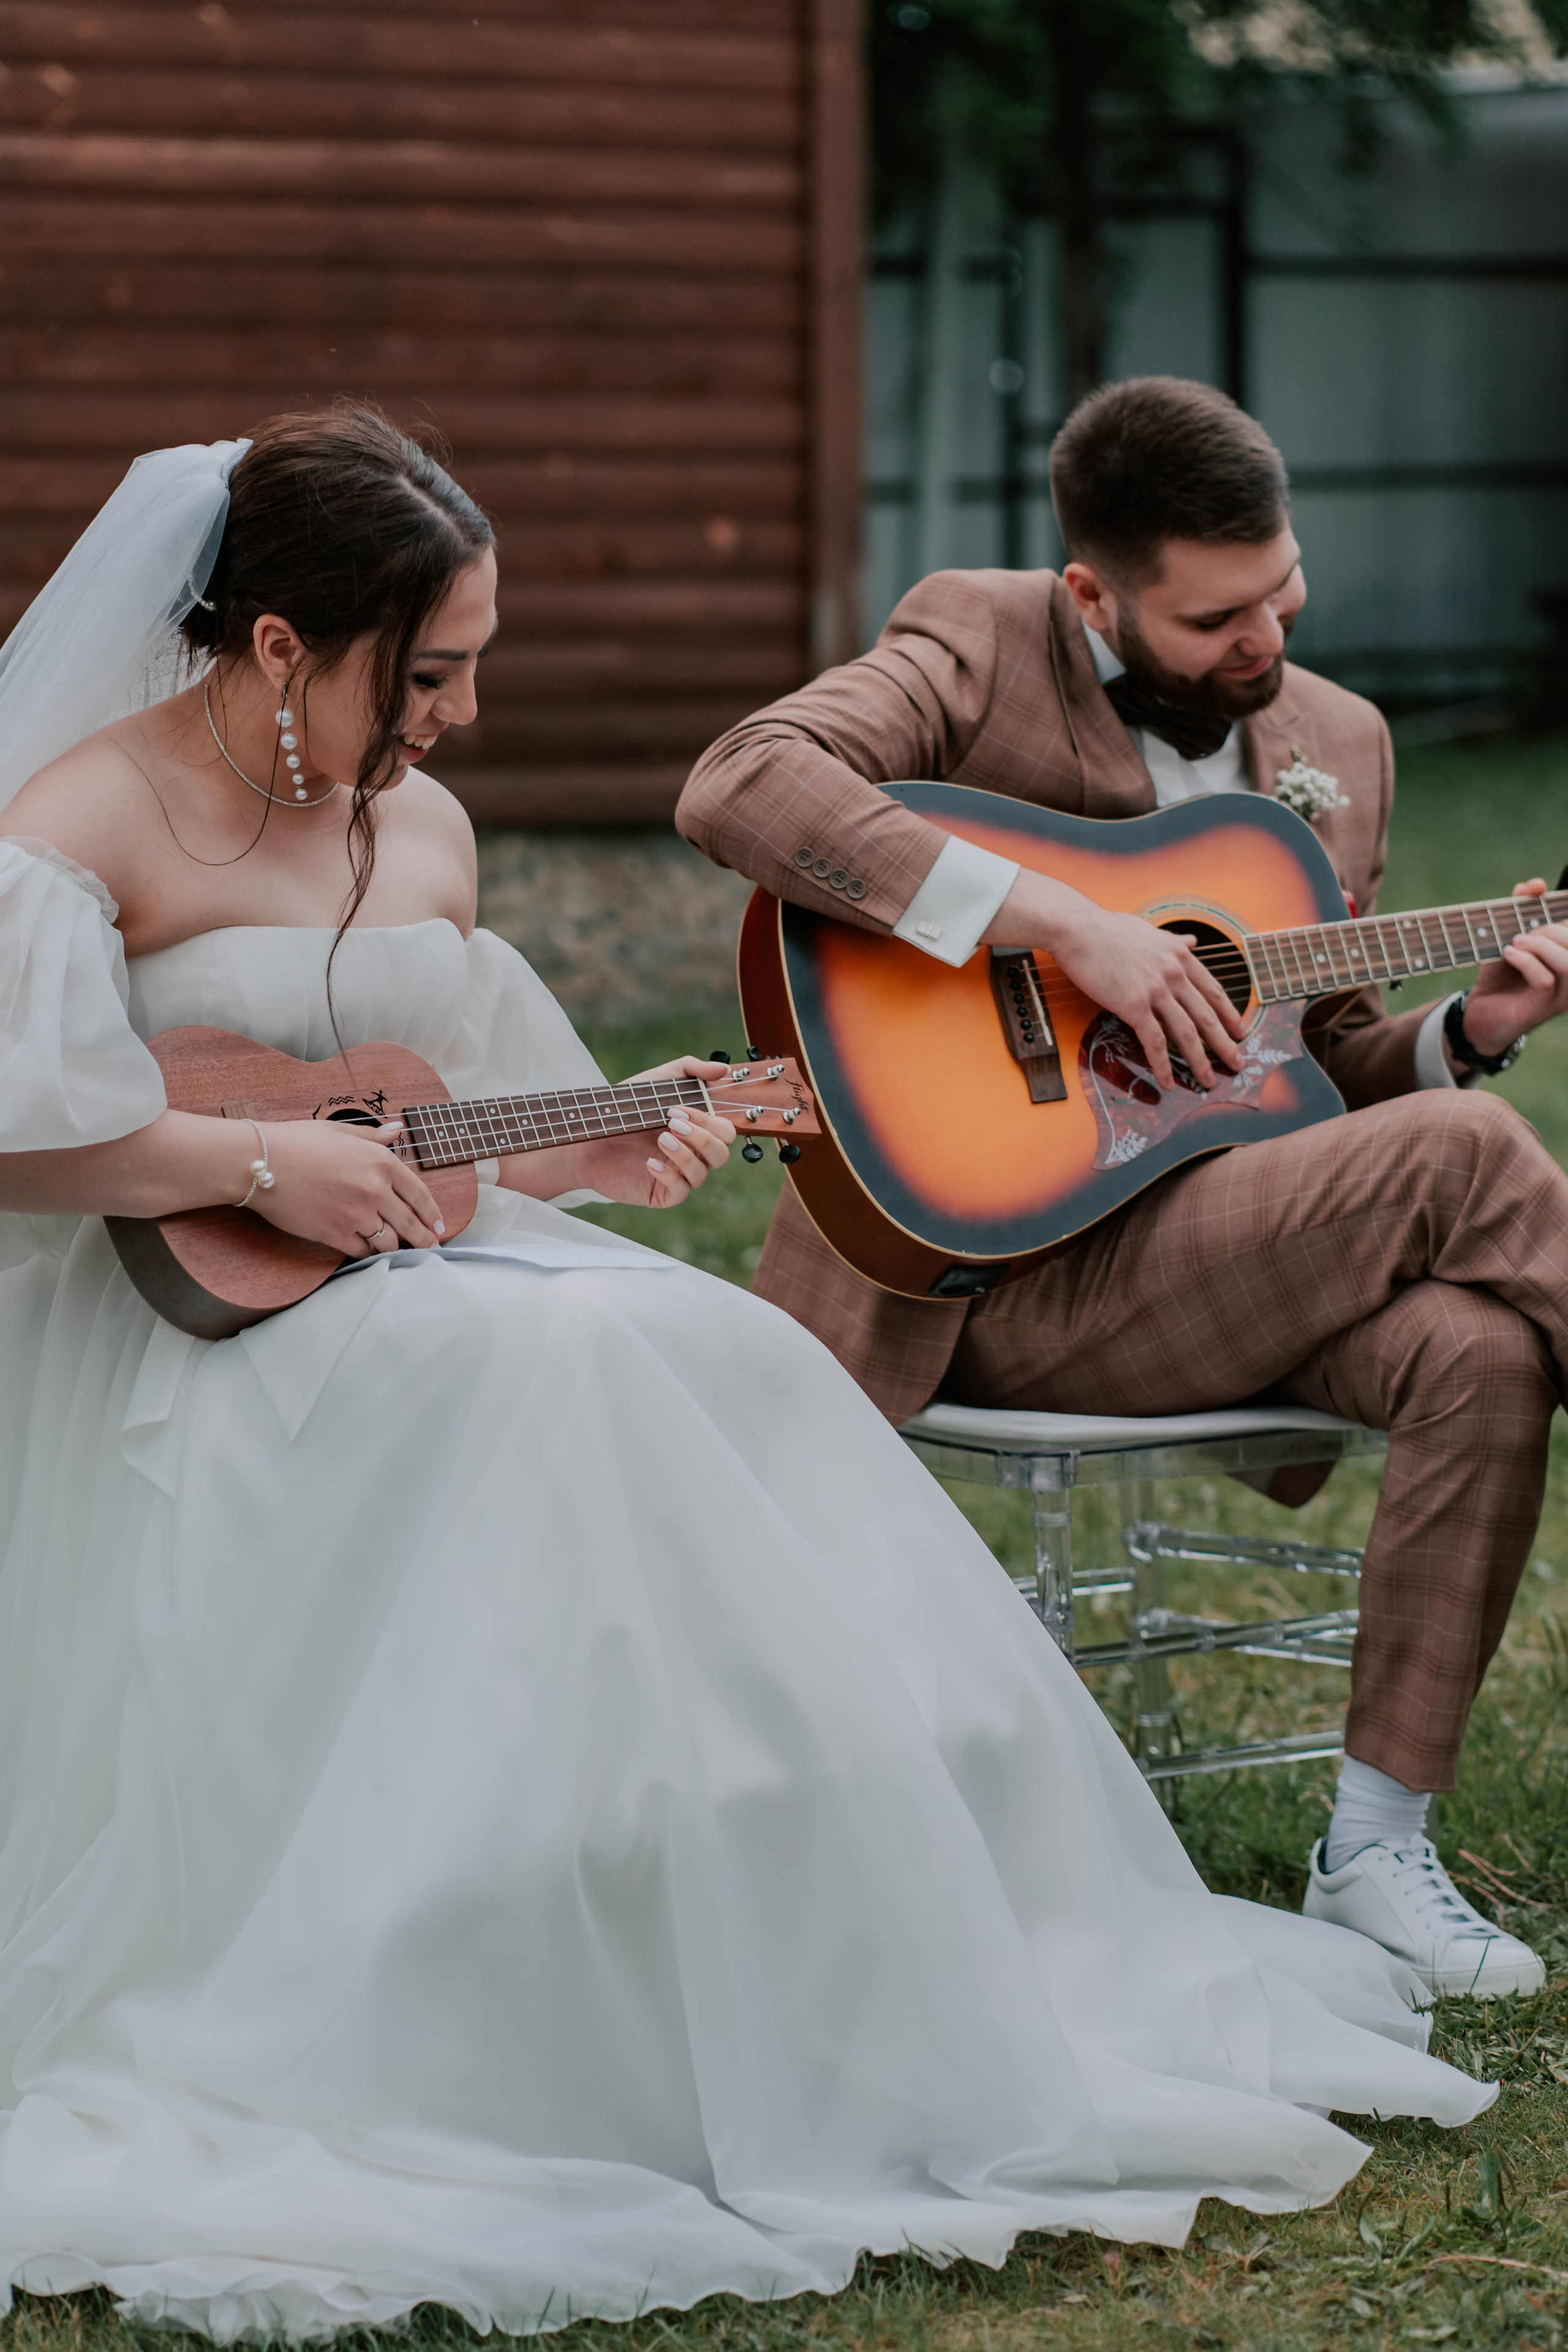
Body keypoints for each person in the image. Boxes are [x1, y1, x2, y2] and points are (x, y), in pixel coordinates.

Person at [0, 407, 1491, 2341]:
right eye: (428, 671)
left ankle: (776, 1914)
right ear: (283, 647)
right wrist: (263, 1164)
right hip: (177, 1323)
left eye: (478, 659)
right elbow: (31, 1134)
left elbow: (465, 1120)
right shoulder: (84, 822)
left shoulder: (424, 832)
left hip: (415, 1265)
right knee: (571, 1371)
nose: (461, 714)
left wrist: (607, 1142)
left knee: (714, 1346)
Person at [679, 374, 1568, 2005]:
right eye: (1216, 613)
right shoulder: (976, 637)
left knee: (1486, 1346)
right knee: (1476, 1166)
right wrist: (1056, 924)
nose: (1263, 641)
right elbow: (743, 782)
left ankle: (1372, 1852)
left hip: (1231, 1249)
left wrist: (1470, 1028)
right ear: (1093, 592)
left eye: (1281, 591)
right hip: (992, 1269)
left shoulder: (1343, 744)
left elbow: (1328, 1066)